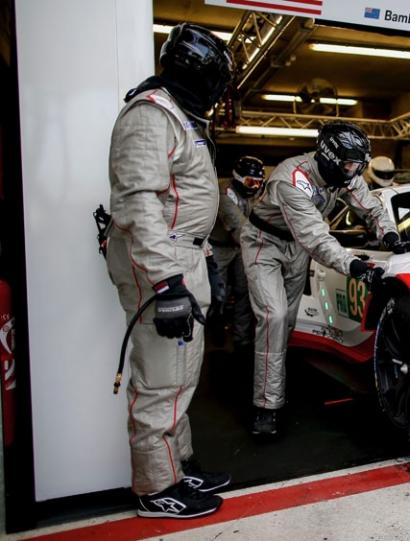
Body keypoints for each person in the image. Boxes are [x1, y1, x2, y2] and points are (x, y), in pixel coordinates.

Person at [105, 23, 233, 519]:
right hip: (163, 263)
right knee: (160, 379)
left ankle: (178, 466)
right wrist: (166, 281)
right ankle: (157, 489)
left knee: (179, 376)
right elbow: (137, 204)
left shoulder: (176, 115)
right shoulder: (150, 115)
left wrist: (200, 265)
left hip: (182, 256)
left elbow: (176, 203)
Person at [240, 122, 410, 437]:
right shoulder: (291, 179)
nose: (354, 172)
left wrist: (390, 235)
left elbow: (371, 209)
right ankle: (266, 407)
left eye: (358, 166)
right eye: (350, 164)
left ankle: (272, 374)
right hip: (263, 243)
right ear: (329, 158)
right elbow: (316, 239)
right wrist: (354, 266)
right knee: (274, 316)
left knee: (287, 320)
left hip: (296, 248)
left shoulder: (344, 175)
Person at [208, 156, 265, 350]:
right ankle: (213, 332)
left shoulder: (257, 194)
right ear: (238, 177)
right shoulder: (224, 193)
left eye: (259, 182)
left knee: (245, 291)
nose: (255, 186)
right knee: (218, 293)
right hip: (219, 247)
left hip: (242, 248)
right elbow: (238, 226)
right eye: (250, 181)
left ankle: (242, 338)